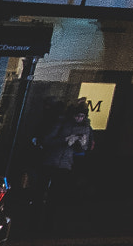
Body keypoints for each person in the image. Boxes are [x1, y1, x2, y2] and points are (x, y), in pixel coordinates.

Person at [32, 100, 92, 234]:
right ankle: (36, 219)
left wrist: (82, 145)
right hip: (51, 160)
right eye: (77, 116)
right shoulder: (61, 123)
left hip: (66, 163)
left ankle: (49, 223)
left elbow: (84, 149)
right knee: (41, 190)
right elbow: (47, 140)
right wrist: (64, 140)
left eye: (82, 116)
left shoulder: (85, 128)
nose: (79, 119)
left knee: (56, 194)